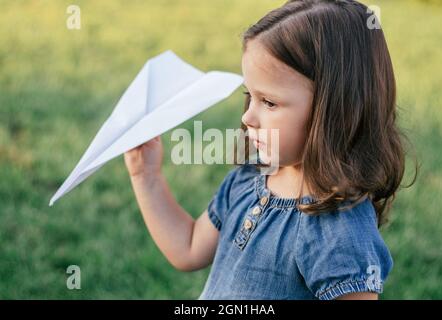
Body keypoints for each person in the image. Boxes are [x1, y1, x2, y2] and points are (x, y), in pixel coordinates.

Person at [124, 0, 417, 300]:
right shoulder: (249, 179)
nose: (247, 116)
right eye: (249, 95)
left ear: (335, 110)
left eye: (269, 102)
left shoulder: (339, 232)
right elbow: (188, 248)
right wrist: (145, 175)